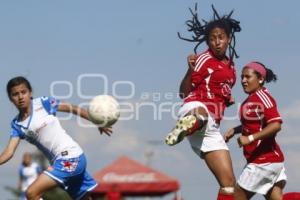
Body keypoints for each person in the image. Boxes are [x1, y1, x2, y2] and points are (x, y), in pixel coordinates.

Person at [165, 4, 241, 200]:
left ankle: (191, 126)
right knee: (201, 113)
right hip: (194, 107)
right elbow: (183, 93)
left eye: (220, 37)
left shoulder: (231, 67)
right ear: (208, 41)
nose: (216, 42)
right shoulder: (203, 59)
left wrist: (227, 99)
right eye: (212, 38)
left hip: (211, 127)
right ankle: (187, 125)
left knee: (229, 185)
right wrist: (190, 70)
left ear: (228, 39)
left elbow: (219, 88)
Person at [0, 76, 112, 200]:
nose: (20, 97)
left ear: (30, 92)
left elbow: (73, 108)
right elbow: (9, 152)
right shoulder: (17, 124)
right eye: (15, 94)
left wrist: (97, 121)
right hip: (64, 162)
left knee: (31, 193)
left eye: (23, 92)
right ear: (11, 99)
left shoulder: (43, 103)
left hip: (70, 157)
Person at [224, 62, 287, 200]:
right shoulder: (250, 100)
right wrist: (235, 130)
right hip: (269, 162)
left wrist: (250, 138)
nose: (243, 81)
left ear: (260, 79)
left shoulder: (263, 97)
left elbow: (276, 124)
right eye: (242, 77)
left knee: (236, 197)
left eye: (247, 77)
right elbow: (254, 124)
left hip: (263, 162)